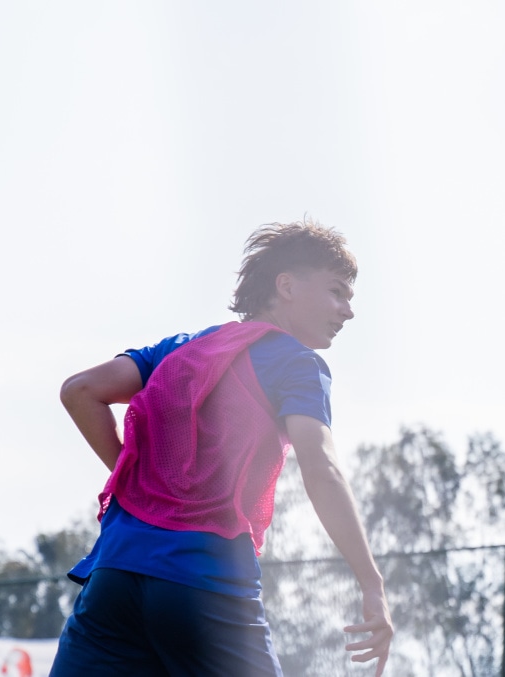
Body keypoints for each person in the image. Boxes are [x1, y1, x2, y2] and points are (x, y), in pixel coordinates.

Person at [50, 220, 393, 677]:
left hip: (115, 579)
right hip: (205, 581)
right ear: (286, 286)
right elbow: (322, 467)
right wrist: (372, 583)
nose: (347, 311)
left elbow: (80, 390)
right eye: (337, 292)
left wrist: (147, 483)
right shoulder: (298, 363)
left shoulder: (178, 349)